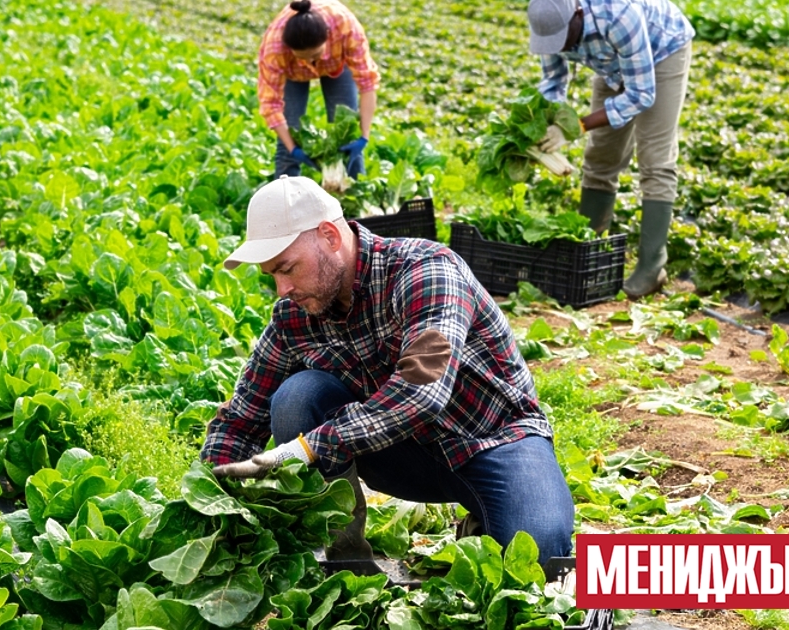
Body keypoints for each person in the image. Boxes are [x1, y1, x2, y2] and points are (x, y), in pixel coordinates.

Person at [201, 175, 575, 568]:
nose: (281, 288)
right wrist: (209, 498)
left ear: (329, 235)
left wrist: (311, 446)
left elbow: (422, 390)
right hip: (400, 455)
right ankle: (345, 564)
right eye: (271, 275)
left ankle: (486, 522)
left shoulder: (426, 272)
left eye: (288, 268)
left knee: (540, 553)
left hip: (493, 440)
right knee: (298, 397)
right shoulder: (295, 318)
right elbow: (241, 420)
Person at [526, 0, 694, 298]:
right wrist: (543, 123)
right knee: (601, 156)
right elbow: (553, 80)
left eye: (565, 37)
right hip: (610, 63)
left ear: (577, 14)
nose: (561, 45)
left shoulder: (618, 15)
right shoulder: (548, 19)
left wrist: (576, 126)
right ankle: (590, 253)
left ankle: (652, 266)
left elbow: (641, 94)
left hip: (661, 52)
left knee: (655, 159)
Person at [258, 0, 379, 179]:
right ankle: (285, 199)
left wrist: (364, 136)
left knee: (347, 132)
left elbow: (367, 83)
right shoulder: (275, 48)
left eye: (314, 55)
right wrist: (293, 149)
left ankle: (356, 196)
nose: (309, 62)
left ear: (328, 36)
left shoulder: (345, 27)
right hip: (293, 74)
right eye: (302, 57)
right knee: (290, 135)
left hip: (336, 66)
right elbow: (270, 105)